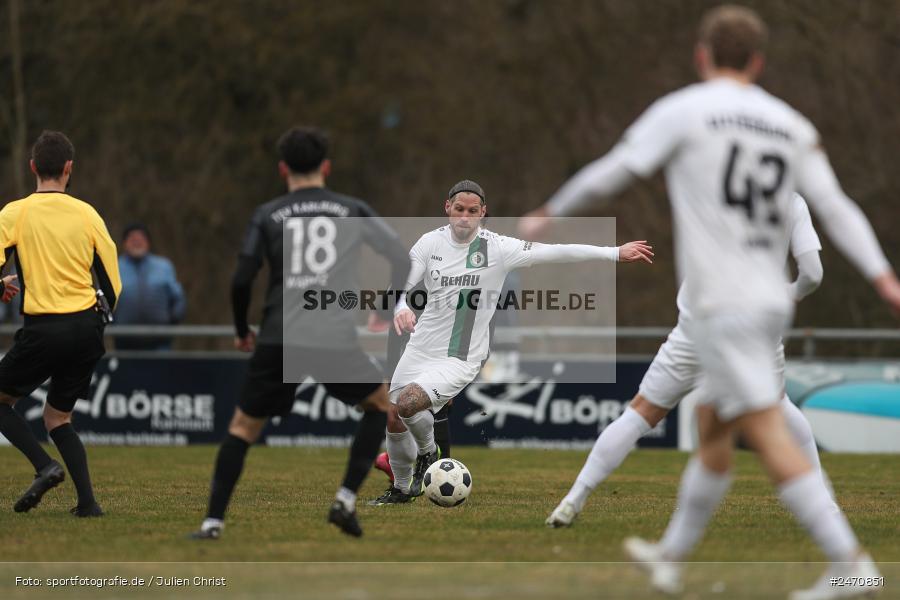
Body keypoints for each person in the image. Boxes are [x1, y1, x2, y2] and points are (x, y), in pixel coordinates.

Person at [519, 6, 900, 598]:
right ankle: (671, 557)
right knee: (713, 425)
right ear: (759, 62)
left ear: (702, 56)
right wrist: (883, 277)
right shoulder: (789, 123)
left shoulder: (685, 110)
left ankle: (852, 565)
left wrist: (549, 212)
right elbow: (838, 206)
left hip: (719, 302)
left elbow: (611, 171)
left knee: (766, 432)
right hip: (769, 305)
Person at [546, 194, 833, 527]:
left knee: (640, 415)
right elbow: (812, 274)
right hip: (754, 326)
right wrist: (785, 295)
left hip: (698, 325)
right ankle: (826, 507)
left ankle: (573, 499)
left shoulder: (710, 187)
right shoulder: (791, 200)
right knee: (779, 408)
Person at [369, 179, 653, 505]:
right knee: (394, 416)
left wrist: (614, 253)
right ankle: (403, 490)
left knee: (408, 404)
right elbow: (405, 281)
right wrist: (402, 306)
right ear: (447, 208)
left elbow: (558, 252)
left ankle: (428, 452)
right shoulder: (429, 243)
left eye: (472, 211)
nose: (465, 217)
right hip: (421, 346)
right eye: (459, 209)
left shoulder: (499, 248)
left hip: (461, 355)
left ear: (483, 213)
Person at [190, 126, 410, 539]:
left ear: (282, 169)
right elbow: (400, 257)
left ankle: (212, 524)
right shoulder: (352, 209)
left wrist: (242, 329)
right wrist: (384, 308)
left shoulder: (268, 213)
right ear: (326, 166)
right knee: (380, 406)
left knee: (242, 429)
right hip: (332, 337)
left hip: (278, 336)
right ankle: (345, 499)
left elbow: (241, 279)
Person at [0, 130, 121, 517]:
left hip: (45, 326)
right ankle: (88, 503)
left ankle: (44, 466)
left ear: (33, 166)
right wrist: (99, 322)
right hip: (87, 327)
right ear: (69, 168)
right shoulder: (88, 214)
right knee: (58, 417)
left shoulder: (15, 213)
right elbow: (113, 281)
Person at [113, 223, 186, 350]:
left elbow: (178, 298)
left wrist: (172, 320)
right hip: (123, 342)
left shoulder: (164, 267)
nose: (137, 242)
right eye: (132, 239)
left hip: (160, 342)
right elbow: (105, 300)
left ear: (148, 242)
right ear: (125, 243)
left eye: (141, 239)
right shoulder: (114, 267)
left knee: (161, 370)